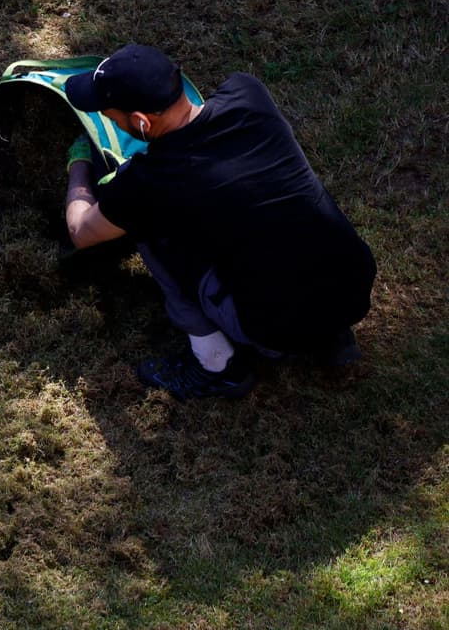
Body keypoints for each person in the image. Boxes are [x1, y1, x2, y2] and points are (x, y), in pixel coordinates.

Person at [62, 44, 376, 400]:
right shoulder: (249, 95)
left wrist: (79, 165)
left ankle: (217, 367)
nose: (111, 123)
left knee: (150, 231)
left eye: (111, 117)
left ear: (141, 122)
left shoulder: (149, 182)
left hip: (276, 329)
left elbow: (80, 231)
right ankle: (332, 338)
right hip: (351, 288)